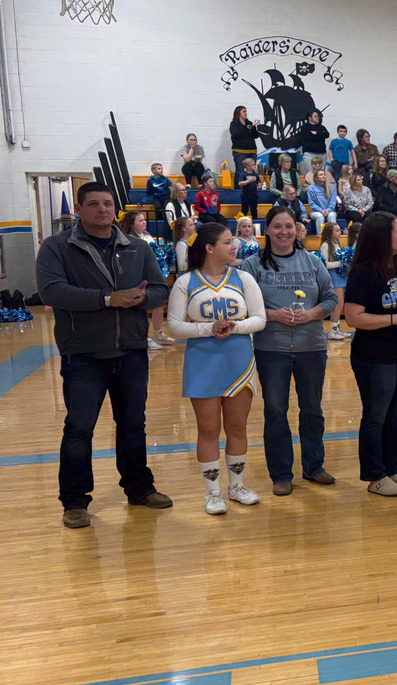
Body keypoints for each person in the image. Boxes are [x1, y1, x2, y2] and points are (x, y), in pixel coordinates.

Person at [35, 182, 173, 528]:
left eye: (108, 204)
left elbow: (159, 290)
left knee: (133, 425)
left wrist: (141, 298)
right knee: (80, 429)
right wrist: (108, 299)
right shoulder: (56, 247)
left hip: (131, 352)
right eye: (94, 204)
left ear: (116, 209)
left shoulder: (137, 249)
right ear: (78, 209)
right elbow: (52, 291)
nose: (102, 209)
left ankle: (139, 488)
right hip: (83, 353)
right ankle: (75, 501)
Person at [166, 223, 267, 514]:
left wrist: (234, 327)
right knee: (208, 429)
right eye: (227, 242)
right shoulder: (186, 282)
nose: (234, 246)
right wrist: (209, 329)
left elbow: (259, 319)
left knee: (237, 427)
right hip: (202, 361)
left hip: (239, 361)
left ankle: (236, 486)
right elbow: (173, 326)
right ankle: (212, 493)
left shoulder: (244, 278)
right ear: (209, 248)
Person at [240, 206, 338, 496]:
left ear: (297, 230)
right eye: (278, 226)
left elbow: (331, 299)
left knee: (312, 409)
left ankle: (314, 467)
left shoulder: (312, 261)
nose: (284, 232)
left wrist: (311, 314)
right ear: (267, 230)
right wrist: (272, 315)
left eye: (289, 226)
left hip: (312, 347)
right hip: (272, 349)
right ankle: (281, 474)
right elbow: (244, 306)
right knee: (276, 411)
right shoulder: (252, 265)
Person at [344, 211, 397, 496]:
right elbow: (353, 317)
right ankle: (375, 475)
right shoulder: (363, 271)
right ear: (382, 236)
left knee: (396, 416)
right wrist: (394, 319)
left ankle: (394, 469)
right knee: (376, 415)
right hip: (374, 356)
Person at [120, 211, 175, 349]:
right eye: (140, 221)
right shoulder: (129, 239)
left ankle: (158, 332)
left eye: (144, 220)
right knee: (140, 306)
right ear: (131, 225)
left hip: (152, 273)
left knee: (159, 302)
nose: (144, 223)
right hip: (139, 276)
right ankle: (143, 336)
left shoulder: (147, 236)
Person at [320, 221, 351, 341]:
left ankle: (337, 328)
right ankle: (333, 330)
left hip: (339, 276)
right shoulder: (326, 246)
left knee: (340, 304)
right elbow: (325, 264)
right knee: (338, 304)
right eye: (337, 231)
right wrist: (342, 263)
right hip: (333, 276)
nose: (340, 233)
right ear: (330, 232)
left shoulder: (335, 244)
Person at [229, 106, 260, 186]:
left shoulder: (249, 123)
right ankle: (238, 190)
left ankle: (251, 187)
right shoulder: (234, 124)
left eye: (246, 111)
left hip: (252, 151)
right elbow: (236, 135)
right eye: (244, 111)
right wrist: (243, 126)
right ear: (238, 113)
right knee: (240, 171)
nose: (246, 113)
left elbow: (255, 135)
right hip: (240, 152)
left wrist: (253, 127)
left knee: (251, 171)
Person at [307, 168, 337, 234]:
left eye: (324, 174)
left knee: (331, 216)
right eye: (321, 175)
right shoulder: (311, 188)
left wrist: (328, 210)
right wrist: (321, 211)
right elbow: (312, 203)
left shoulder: (331, 187)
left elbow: (333, 202)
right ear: (316, 177)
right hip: (316, 211)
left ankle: (333, 235)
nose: (323, 176)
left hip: (330, 210)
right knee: (320, 216)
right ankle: (320, 236)